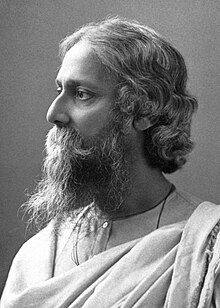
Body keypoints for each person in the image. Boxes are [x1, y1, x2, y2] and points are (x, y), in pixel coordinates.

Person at [1, 17, 220, 308]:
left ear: (145, 110)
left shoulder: (207, 251)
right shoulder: (38, 255)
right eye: (59, 91)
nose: (54, 114)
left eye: (81, 94)